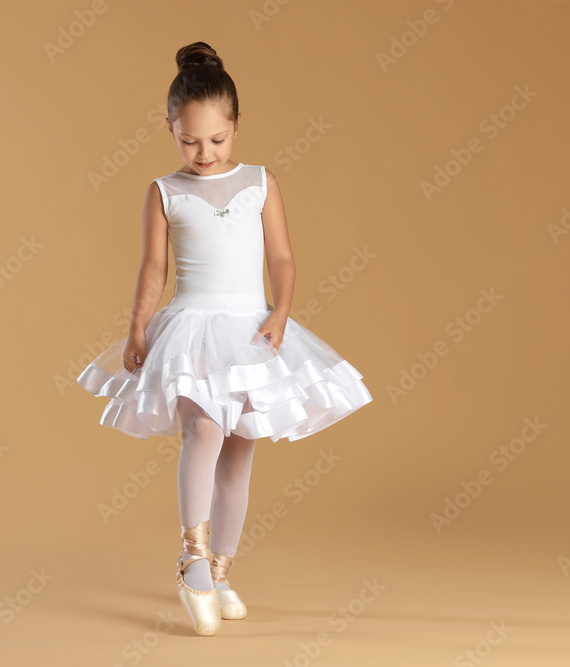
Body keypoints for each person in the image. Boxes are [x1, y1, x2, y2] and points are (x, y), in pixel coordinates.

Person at [76, 41, 373, 636]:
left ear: (236, 125)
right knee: (202, 429)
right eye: (189, 141)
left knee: (239, 451)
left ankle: (221, 568)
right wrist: (136, 328)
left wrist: (281, 312)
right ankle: (192, 560)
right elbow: (154, 270)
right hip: (191, 328)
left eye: (216, 140)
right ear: (170, 129)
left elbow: (281, 257)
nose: (204, 154)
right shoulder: (164, 191)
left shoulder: (261, 182)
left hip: (249, 328)